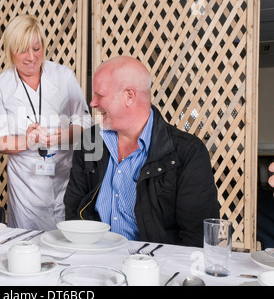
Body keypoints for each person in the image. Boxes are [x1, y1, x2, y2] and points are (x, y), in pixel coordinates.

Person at [63, 56, 220, 247]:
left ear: (129, 96)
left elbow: (197, 237)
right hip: (95, 259)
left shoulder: (188, 152)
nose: (93, 103)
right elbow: (74, 210)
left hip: (156, 267)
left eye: (100, 95)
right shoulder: (90, 141)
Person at [0, 14, 92, 230]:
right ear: (10, 51)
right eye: (22, 50)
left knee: (67, 243)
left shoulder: (63, 75)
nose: (31, 57)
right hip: (26, 187)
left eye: (36, 48)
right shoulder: (1, 86)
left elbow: (85, 121)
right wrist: (26, 141)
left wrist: (63, 135)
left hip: (67, 178)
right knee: (29, 247)